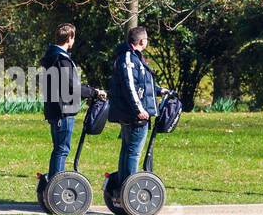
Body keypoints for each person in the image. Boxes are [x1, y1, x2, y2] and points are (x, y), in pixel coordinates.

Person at [40, 23, 105, 177]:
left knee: (58, 148)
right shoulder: (61, 59)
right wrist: (94, 92)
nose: (73, 41)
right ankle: (56, 185)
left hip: (55, 109)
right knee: (62, 149)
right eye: (73, 38)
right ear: (69, 38)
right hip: (64, 110)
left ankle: (52, 184)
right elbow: (72, 86)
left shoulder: (52, 56)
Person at [106, 25, 168, 186]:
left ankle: (123, 187)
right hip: (134, 115)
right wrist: (139, 110)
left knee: (127, 150)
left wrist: (159, 90)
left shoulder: (135, 58)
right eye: (146, 39)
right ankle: (129, 188)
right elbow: (129, 85)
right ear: (141, 41)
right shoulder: (129, 58)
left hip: (133, 112)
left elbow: (142, 84)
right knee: (133, 152)